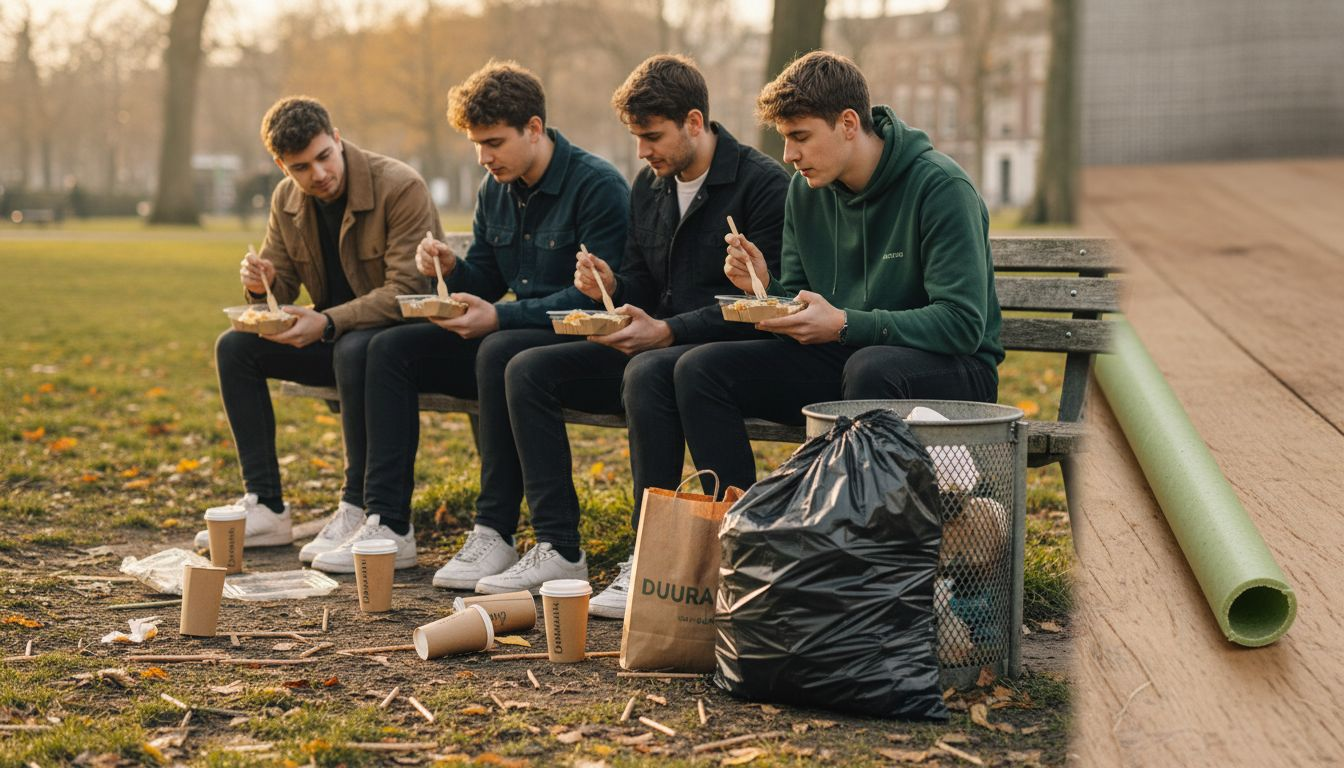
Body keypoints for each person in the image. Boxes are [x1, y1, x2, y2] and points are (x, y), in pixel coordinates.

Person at [435, 54, 789, 608]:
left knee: (652, 372)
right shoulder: (651, 185)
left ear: (694, 122)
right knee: (527, 368)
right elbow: (641, 282)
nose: (642, 153)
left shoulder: (761, 184)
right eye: (636, 138)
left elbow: (763, 300)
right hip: (656, 341)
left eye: (652, 137)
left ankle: (651, 554)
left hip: (722, 351)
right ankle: (558, 543)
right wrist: (609, 285)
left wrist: (666, 331)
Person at [306, 61, 630, 575]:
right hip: (504, 343)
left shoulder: (596, 186)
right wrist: (452, 269)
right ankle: (388, 522)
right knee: (389, 349)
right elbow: (486, 276)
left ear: (534, 129)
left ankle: (496, 531)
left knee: (500, 349)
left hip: (574, 346)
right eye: (476, 144)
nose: (484, 158)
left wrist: (499, 318)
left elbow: (596, 301)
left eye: (494, 143)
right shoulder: (495, 189)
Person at [675, 50, 1004, 493]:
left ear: (848, 124)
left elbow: (962, 325)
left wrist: (846, 324)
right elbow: (802, 299)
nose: (789, 154)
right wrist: (765, 285)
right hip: (850, 360)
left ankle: (853, 534)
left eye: (801, 137)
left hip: (952, 371)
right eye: (785, 139)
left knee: (871, 370)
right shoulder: (806, 191)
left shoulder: (940, 188)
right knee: (699, 370)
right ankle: (739, 530)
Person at [196, 96, 439, 560]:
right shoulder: (286, 200)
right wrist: (260, 282)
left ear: (338, 139)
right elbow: (282, 284)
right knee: (234, 348)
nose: (318, 175)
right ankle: (266, 505)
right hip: (338, 340)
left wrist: (328, 323)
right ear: (281, 165)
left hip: (399, 346)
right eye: (300, 167)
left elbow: (407, 290)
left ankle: (359, 505)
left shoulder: (399, 186)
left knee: (355, 347)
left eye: (324, 157)